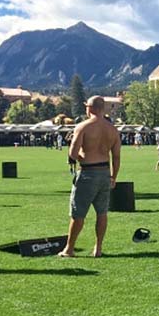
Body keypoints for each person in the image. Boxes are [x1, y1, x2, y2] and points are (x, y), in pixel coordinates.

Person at [59, 96, 121, 258]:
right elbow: (116, 157)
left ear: (90, 108)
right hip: (105, 174)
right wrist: (114, 177)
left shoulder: (83, 127)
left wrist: (80, 154)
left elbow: (72, 154)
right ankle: (98, 248)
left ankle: (69, 249)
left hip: (87, 173)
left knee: (78, 213)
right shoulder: (113, 130)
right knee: (102, 213)